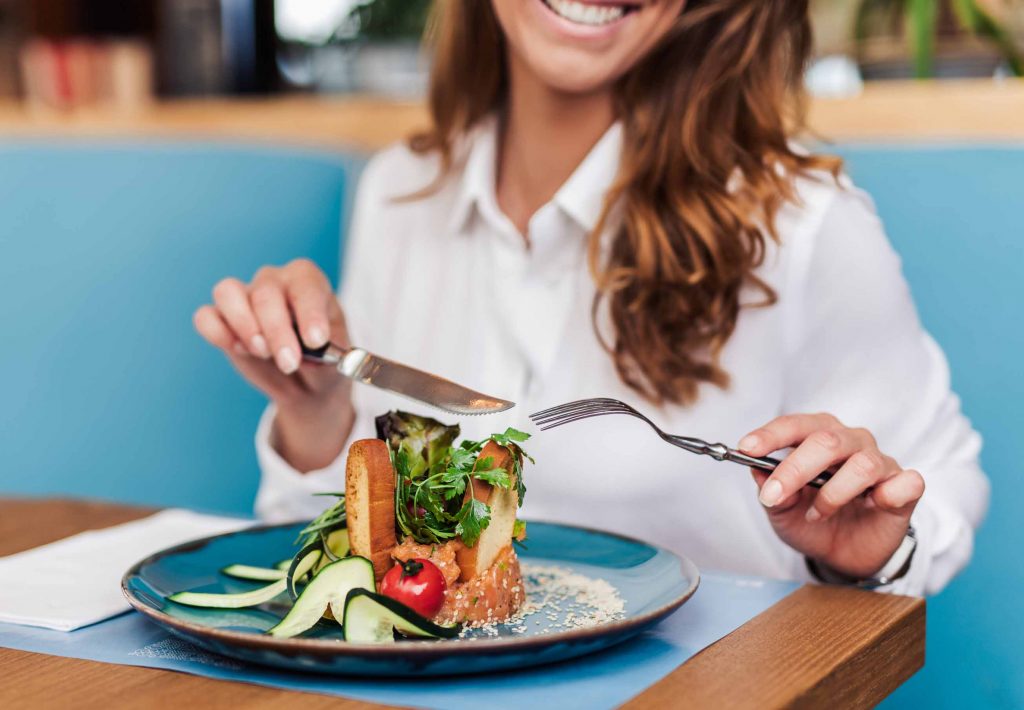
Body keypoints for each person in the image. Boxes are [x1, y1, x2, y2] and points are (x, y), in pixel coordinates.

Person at [193, 0, 988, 595]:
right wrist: (317, 413)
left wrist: (869, 548)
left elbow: (942, 482)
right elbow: (355, 556)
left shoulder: (802, 224)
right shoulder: (399, 192)